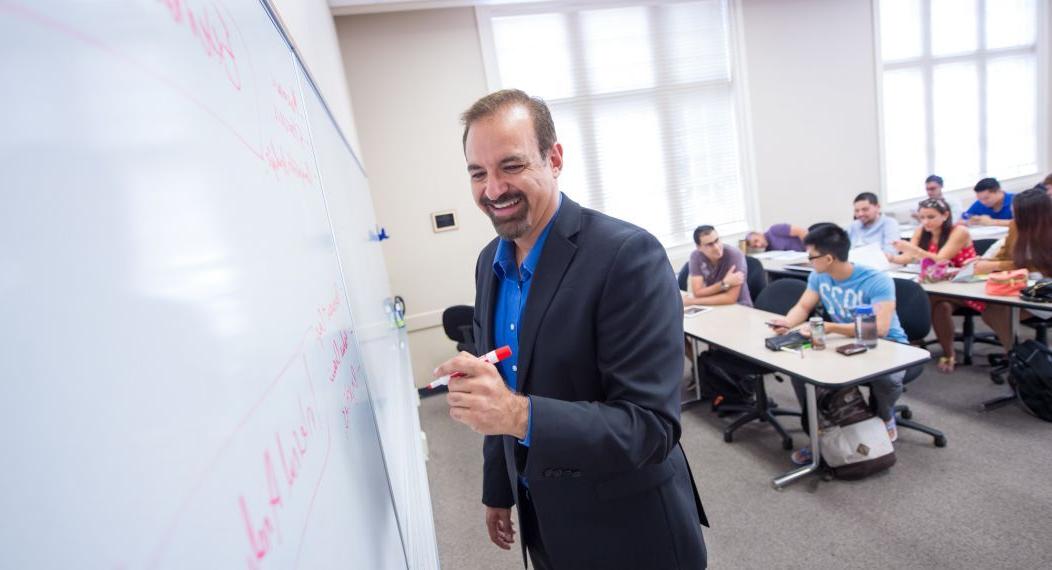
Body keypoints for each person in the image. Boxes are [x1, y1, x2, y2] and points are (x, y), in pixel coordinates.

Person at [435, 89, 707, 570]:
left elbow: (650, 428)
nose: (493, 189)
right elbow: (495, 390)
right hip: (545, 523)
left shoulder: (627, 256)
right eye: (478, 173)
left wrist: (518, 416)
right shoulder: (488, 264)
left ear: (554, 158)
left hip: (632, 534)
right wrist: (498, 489)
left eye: (511, 166)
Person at [768, 225, 906, 464]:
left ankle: (885, 415)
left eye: (811, 256)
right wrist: (786, 322)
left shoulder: (876, 281)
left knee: (888, 379)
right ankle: (820, 434)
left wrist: (831, 328)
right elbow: (803, 307)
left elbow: (881, 329)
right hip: (846, 341)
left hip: (887, 344)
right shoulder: (819, 276)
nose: (808, 261)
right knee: (801, 374)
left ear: (828, 258)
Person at [889, 198, 981, 372]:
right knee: (940, 305)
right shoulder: (921, 231)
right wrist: (892, 258)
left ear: (945, 215)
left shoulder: (959, 231)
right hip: (938, 287)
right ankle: (947, 352)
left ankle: (916, 341)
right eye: (922, 217)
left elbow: (941, 259)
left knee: (924, 298)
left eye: (931, 217)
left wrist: (913, 250)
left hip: (965, 286)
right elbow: (908, 257)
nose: (925, 222)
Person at [977, 187, 1052, 349]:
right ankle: (1015, 354)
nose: (1013, 216)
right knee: (992, 311)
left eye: (1017, 213)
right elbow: (1005, 255)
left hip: (1045, 293)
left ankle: (1017, 356)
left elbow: (1035, 266)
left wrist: (995, 265)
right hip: (1021, 287)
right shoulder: (1016, 226)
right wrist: (984, 261)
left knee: (998, 311)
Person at [685, 225, 752, 307]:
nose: (716, 248)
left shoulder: (734, 255)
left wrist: (693, 301)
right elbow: (697, 292)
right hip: (712, 305)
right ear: (699, 247)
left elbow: (730, 298)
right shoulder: (696, 256)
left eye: (717, 240)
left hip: (739, 306)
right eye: (709, 244)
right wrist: (724, 284)